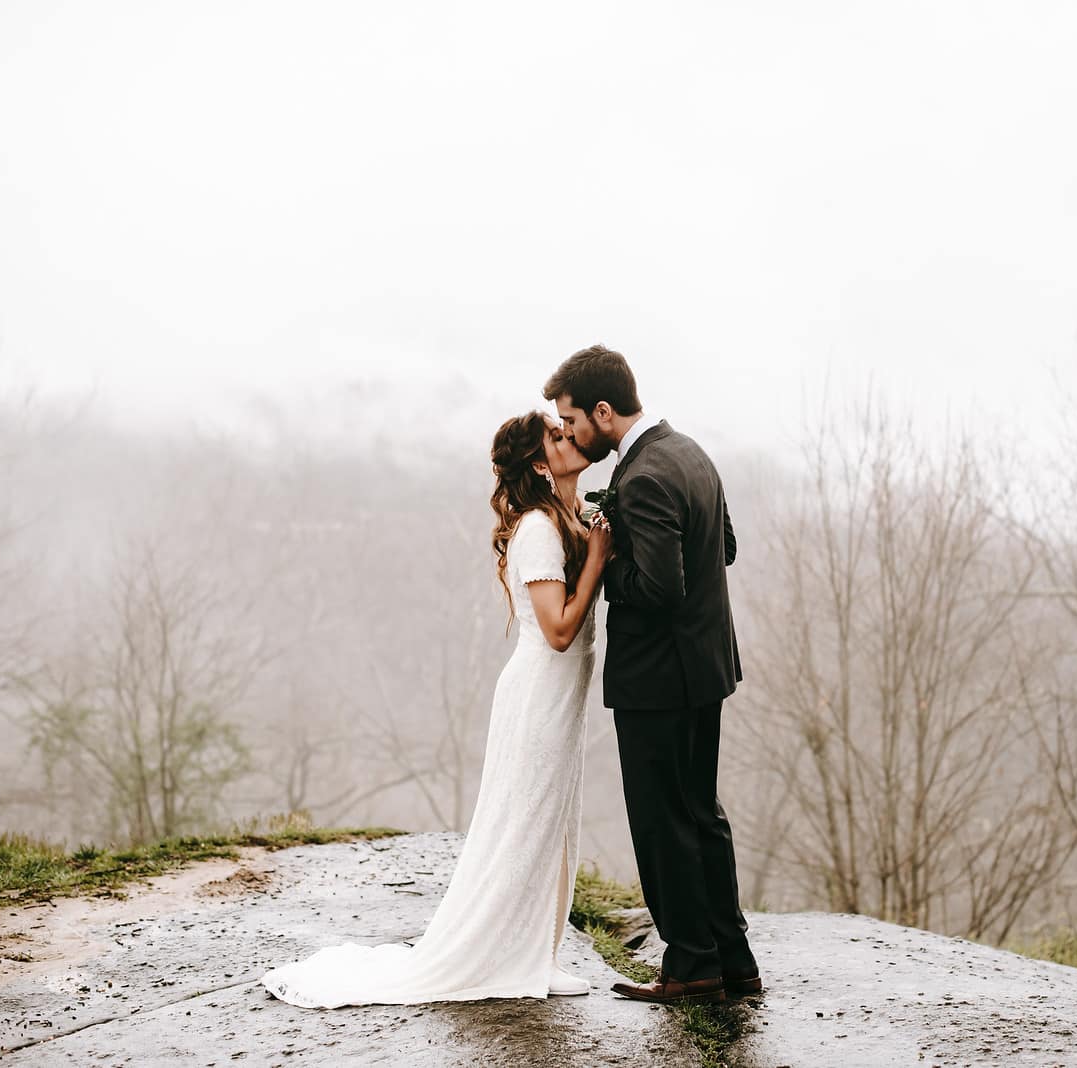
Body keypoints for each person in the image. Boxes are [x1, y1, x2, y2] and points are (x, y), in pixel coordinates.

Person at [260, 411, 612, 1007]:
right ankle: (518, 956)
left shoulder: (567, 516)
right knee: (526, 824)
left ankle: (540, 953)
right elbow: (556, 631)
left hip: (562, 693)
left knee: (554, 825)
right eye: (556, 435)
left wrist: (592, 528)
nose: (569, 438)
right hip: (539, 692)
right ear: (536, 461)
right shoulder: (536, 530)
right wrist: (598, 558)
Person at [544, 345, 761, 1006]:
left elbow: (659, 588)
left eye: (572, 419)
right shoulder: (689, 452)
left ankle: (691, 965)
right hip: (704, 669)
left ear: (603, 412)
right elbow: (721, 548)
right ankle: (734, 959)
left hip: (659, 681)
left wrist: (606, 559)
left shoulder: (641, 478)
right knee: (701, 814)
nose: (572, 432)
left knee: (663, 821)